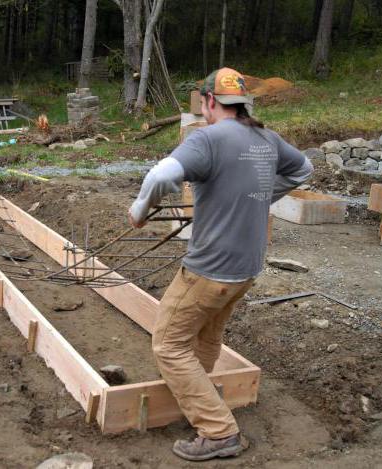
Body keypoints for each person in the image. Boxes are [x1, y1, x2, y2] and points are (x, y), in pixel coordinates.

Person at [128, 68, 313, 462]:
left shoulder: (208, 137)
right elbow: (304, 170)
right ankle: (196, 396)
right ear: (243, 102)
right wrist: (257, 196)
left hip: (209, 270)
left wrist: (139, 211)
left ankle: (218, 431)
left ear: (210, 101)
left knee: (169, 346)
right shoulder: (266, 137)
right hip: (246, 268)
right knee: (206, 338)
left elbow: (162, 174)